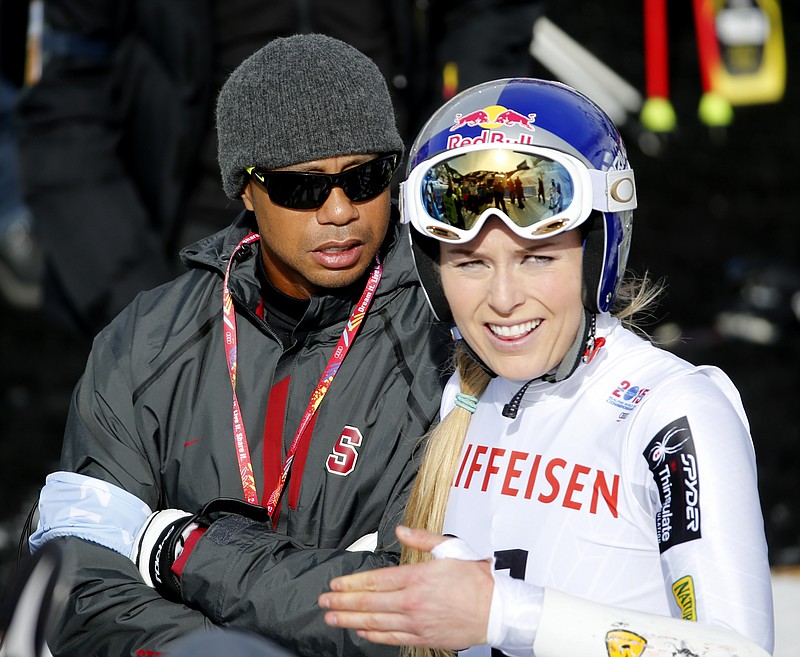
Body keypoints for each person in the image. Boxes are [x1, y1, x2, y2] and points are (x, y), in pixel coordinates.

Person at [26, 34, 452, 657]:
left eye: (365, 178)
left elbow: (412, 608)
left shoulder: (451, 341)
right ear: (244, 191)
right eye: (302, 188)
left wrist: (179, 551)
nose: (339, 210)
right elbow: (77, 581)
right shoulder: (147, 340)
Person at [318, 78, 775, 657]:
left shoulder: (671, 411)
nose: (503, 298)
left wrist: (505, 614)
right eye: (471, 263)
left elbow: (738, 652)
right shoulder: (453, 394)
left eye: (536, 259)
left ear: (597, 257)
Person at [15, 0, 417, 338]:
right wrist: (136, 300)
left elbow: (472, 30)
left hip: (394, 220)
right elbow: (63, 108)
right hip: (178, 242)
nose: (333, 209)